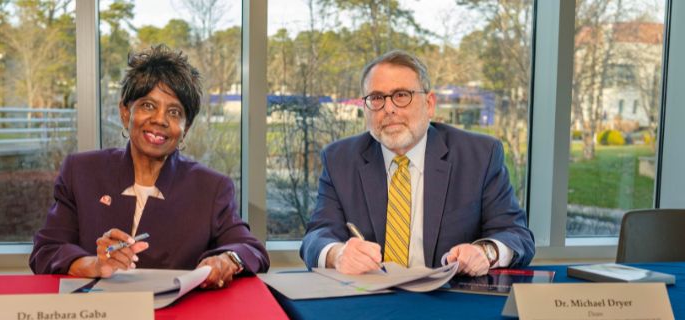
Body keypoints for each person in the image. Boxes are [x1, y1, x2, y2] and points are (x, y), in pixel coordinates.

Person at [30, 45, 268, 288]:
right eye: (148, 106)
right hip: (97, 316)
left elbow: (250, 249)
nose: (160, 120)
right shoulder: (81, 172)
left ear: (185, 129)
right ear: (125, 112)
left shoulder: (211, 187)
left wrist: (226, 259)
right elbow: (46, 251)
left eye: (174, 112)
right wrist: (94, 265)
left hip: (176, 317)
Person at [300, 50, 534, 276]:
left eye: (402, 95)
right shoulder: (340, 159)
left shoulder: (479, 156)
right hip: (368, 300)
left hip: (448, 301)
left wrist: (486, 252)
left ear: (429, 104)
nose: (389, 108)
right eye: (377, 98)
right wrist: (337, 254)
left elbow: (516, 234)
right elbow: (316, 236)